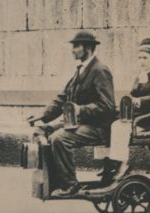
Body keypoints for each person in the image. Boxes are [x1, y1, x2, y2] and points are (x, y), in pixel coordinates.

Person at [32, 31, 116, 197]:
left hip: (98, 127)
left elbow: (108, 107)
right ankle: (55, 180)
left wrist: (80, 109)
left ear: (88, 48)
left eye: (76, 46)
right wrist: (43, 116)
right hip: (80, 124)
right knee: (42, 131)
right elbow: (63, 97)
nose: (73, 50)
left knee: (60, 138)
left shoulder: (100, 70)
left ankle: (70, 184)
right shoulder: (80, 70)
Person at [106, 38, 150, 182]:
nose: (141, 61)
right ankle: (114, 162)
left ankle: (123, 164)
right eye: (139, 58)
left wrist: (139, 101)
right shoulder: (140, 76)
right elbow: (133, 94)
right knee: (113, 124)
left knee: (119, 127)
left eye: (145, 58)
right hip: (137, 117)